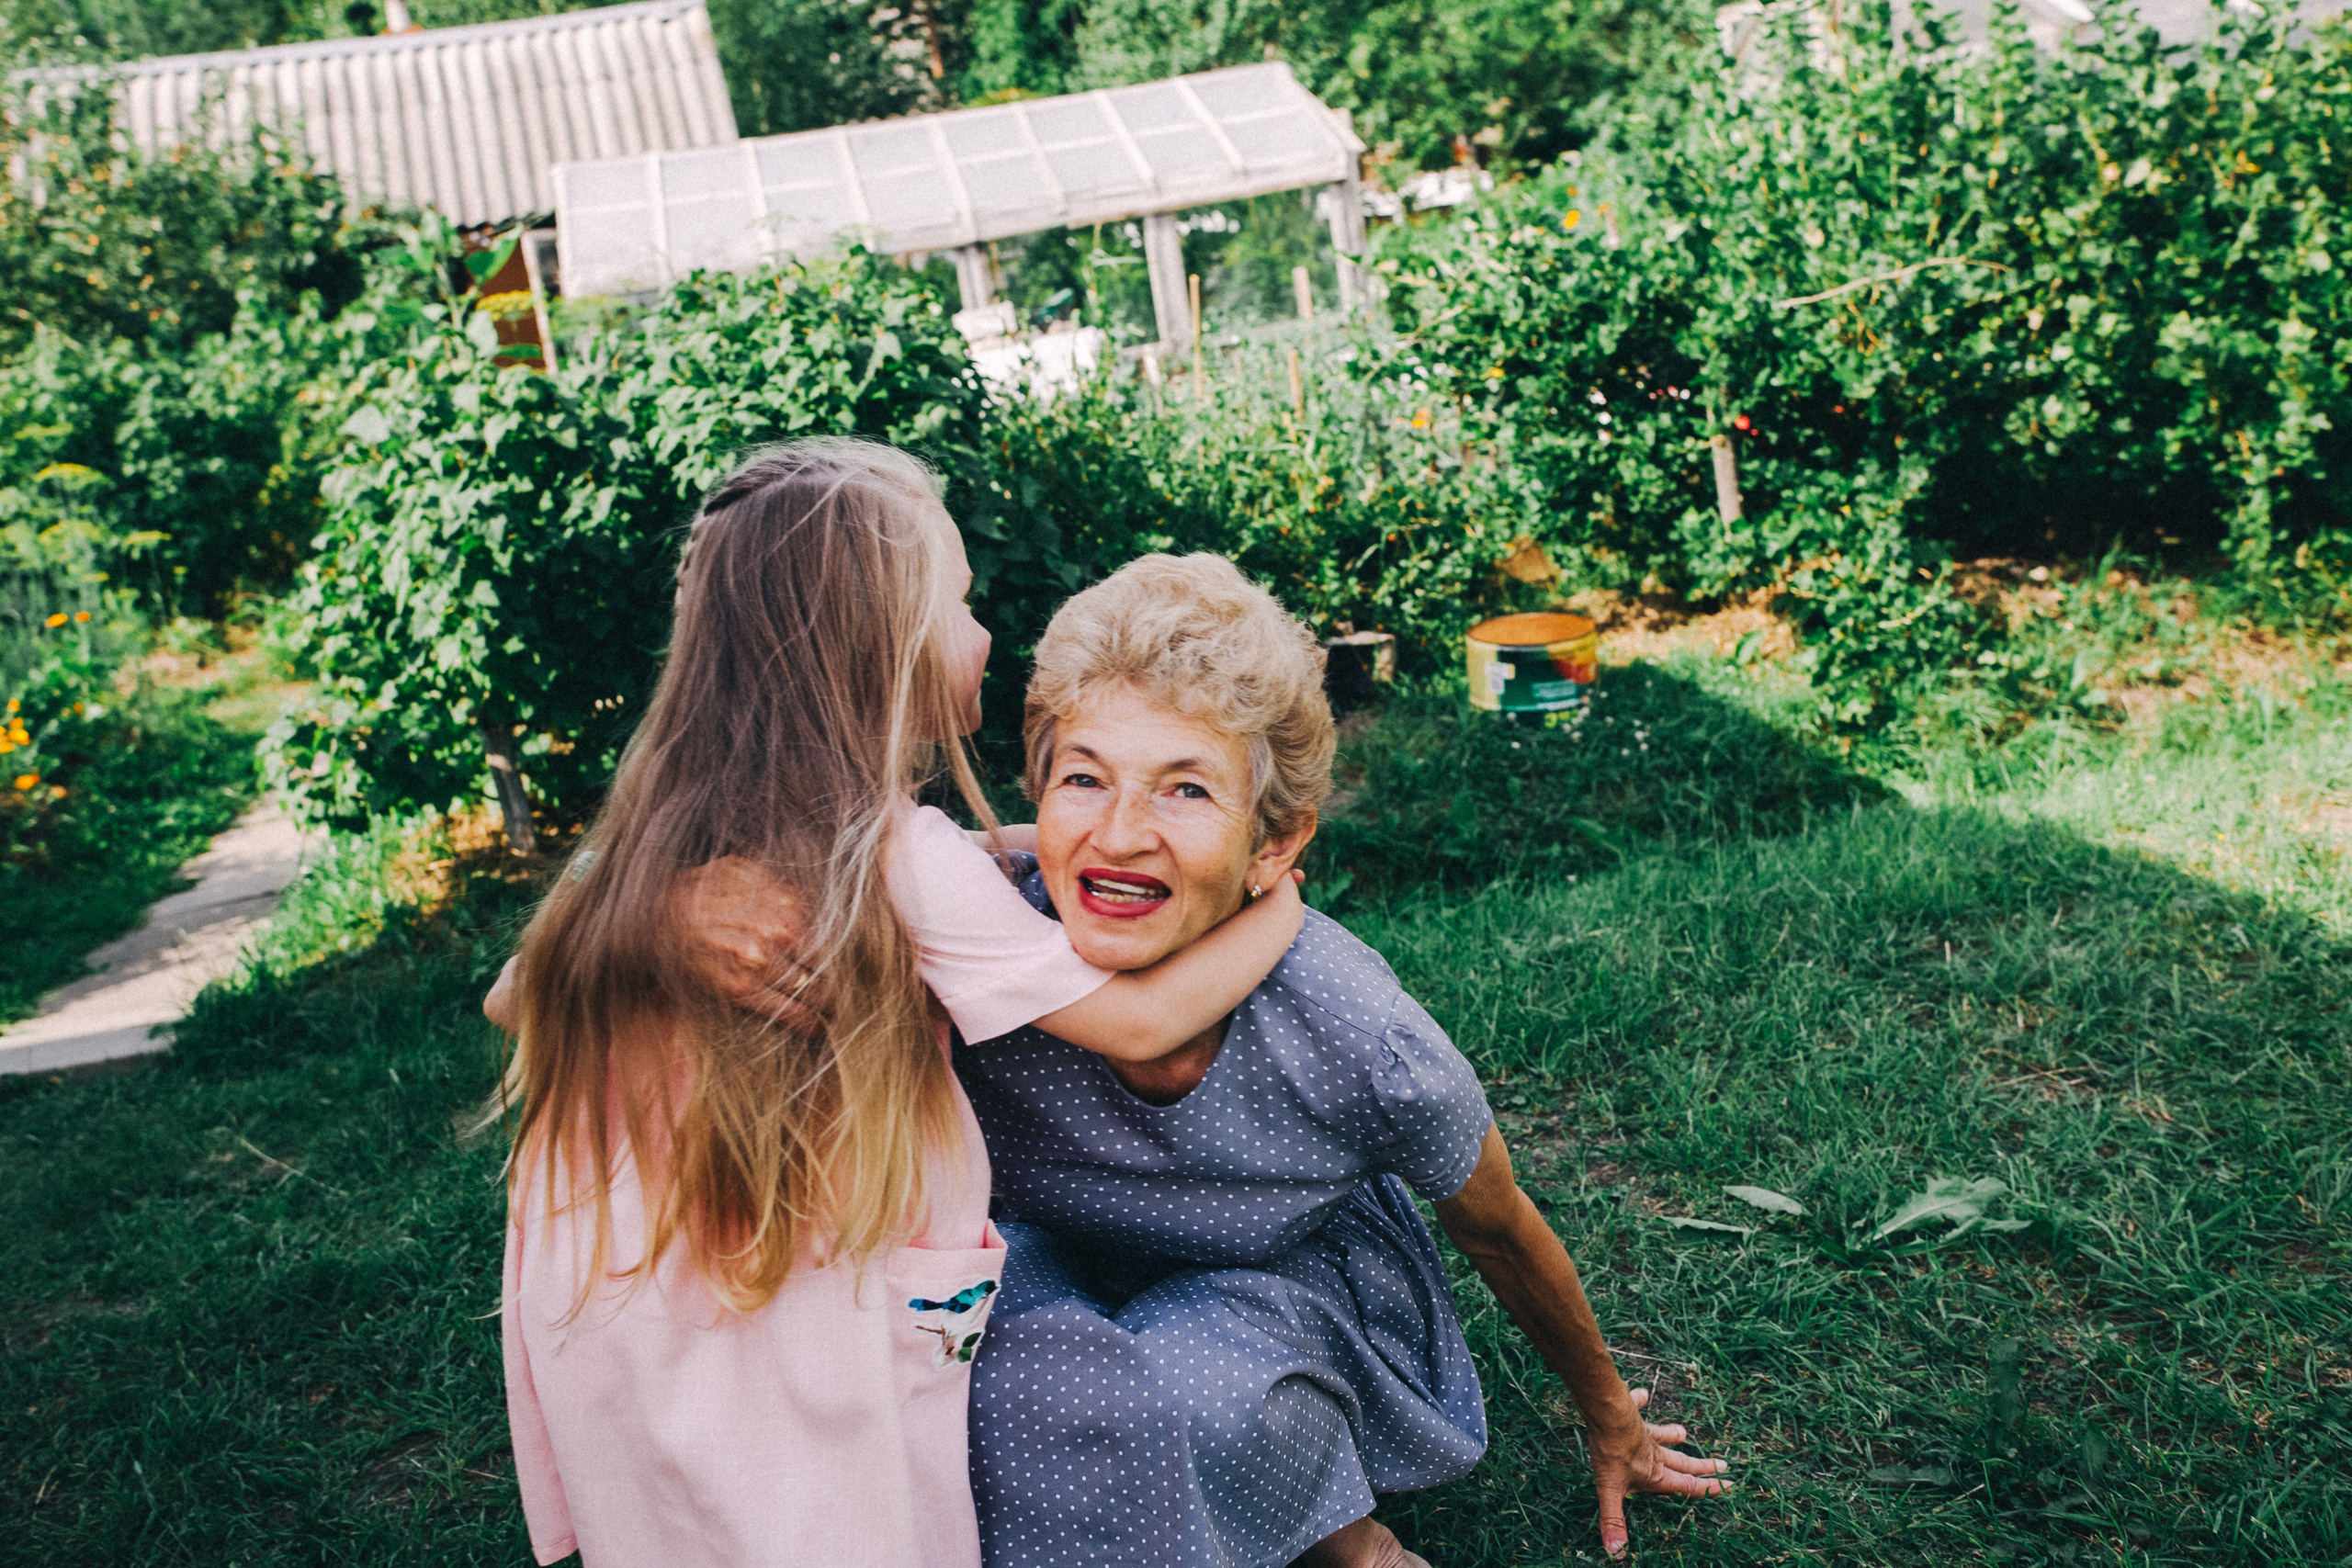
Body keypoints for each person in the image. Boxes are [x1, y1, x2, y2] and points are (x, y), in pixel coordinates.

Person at [694, 553, 1729, 1567]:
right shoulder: (973, 939)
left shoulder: (1354, 1030)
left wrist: (1611, 1420)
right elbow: (598, 929)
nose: (1120, 833)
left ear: (1273, 846)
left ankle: (1345, 1536)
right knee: (980, 1369)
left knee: (1189, 1385)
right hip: (1044, 1261)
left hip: (1273, 1279)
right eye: (1084, 778)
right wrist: (678, 913)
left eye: (1185, 791)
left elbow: (1501, 1230)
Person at [491, 442, 1306, 1568]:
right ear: (883, 644)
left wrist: (647, 913)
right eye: (962, 604)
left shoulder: (660, 826)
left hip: (629, 1298)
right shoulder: (897, 858)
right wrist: (1281, 904)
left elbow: (506, 996)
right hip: (789, 1305)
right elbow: (1142, 1023)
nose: (982, 636)